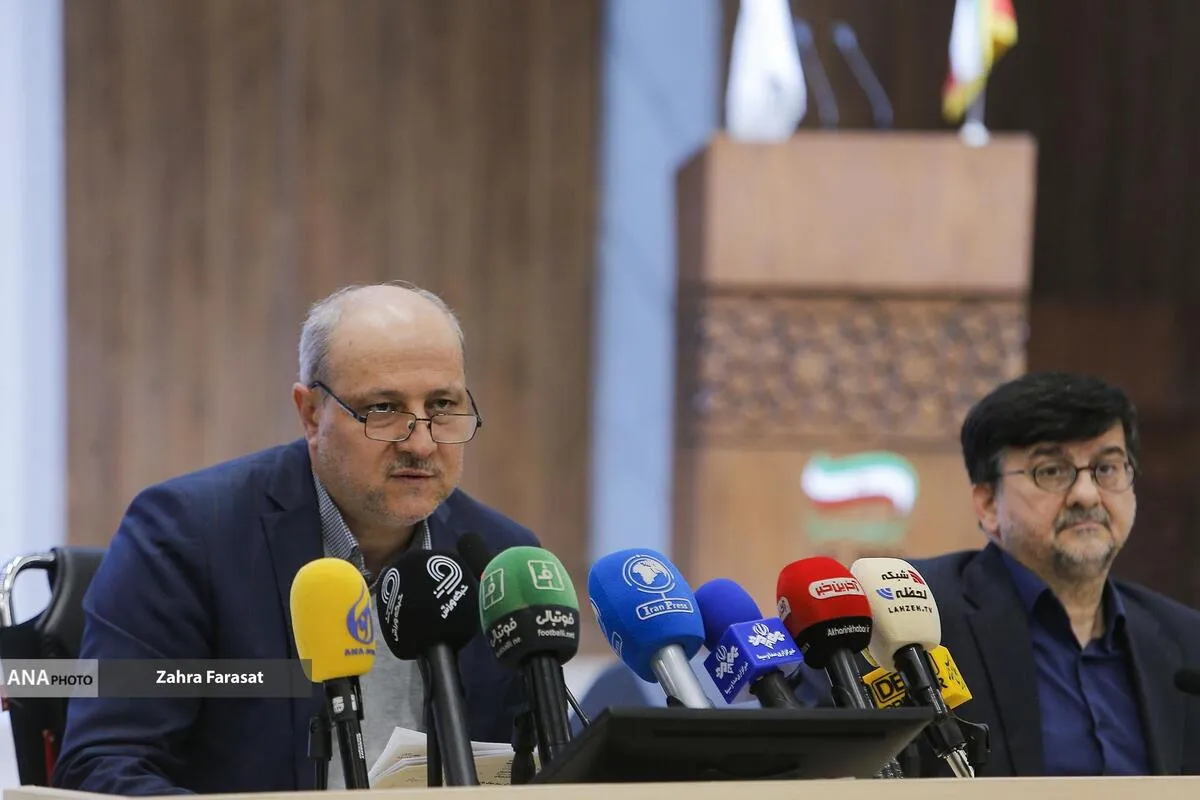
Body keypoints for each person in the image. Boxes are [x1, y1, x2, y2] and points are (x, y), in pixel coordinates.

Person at [55, 282, 539, 794]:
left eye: (441, 404)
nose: (421, 443)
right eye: (383, 408)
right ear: (311, 414)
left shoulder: (499, 559)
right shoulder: (185, 538)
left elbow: (542, 765)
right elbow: (104, 766)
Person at [901, 371, 1200, 777]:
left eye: (1107, 468)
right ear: (988, 504)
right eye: (1052, 471)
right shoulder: (917, 623)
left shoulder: (1186, 643)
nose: (1086, 495)